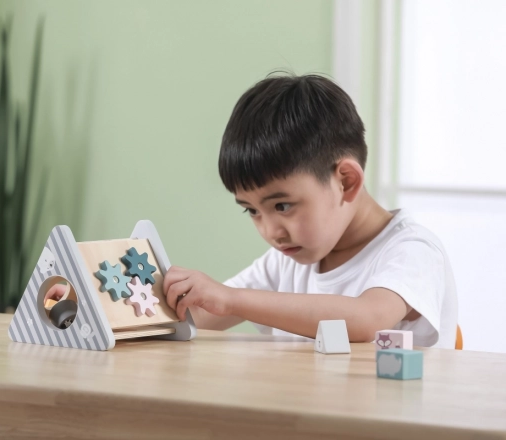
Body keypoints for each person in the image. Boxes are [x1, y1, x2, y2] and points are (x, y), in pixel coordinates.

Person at [162, 74, 458, 348]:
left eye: (282, 206)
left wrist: (230, 299)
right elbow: (201, 315)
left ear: (346, 181)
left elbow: (367, 320)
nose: (271, 232)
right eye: (251, 211)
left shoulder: (413, 250)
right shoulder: (287, 261)